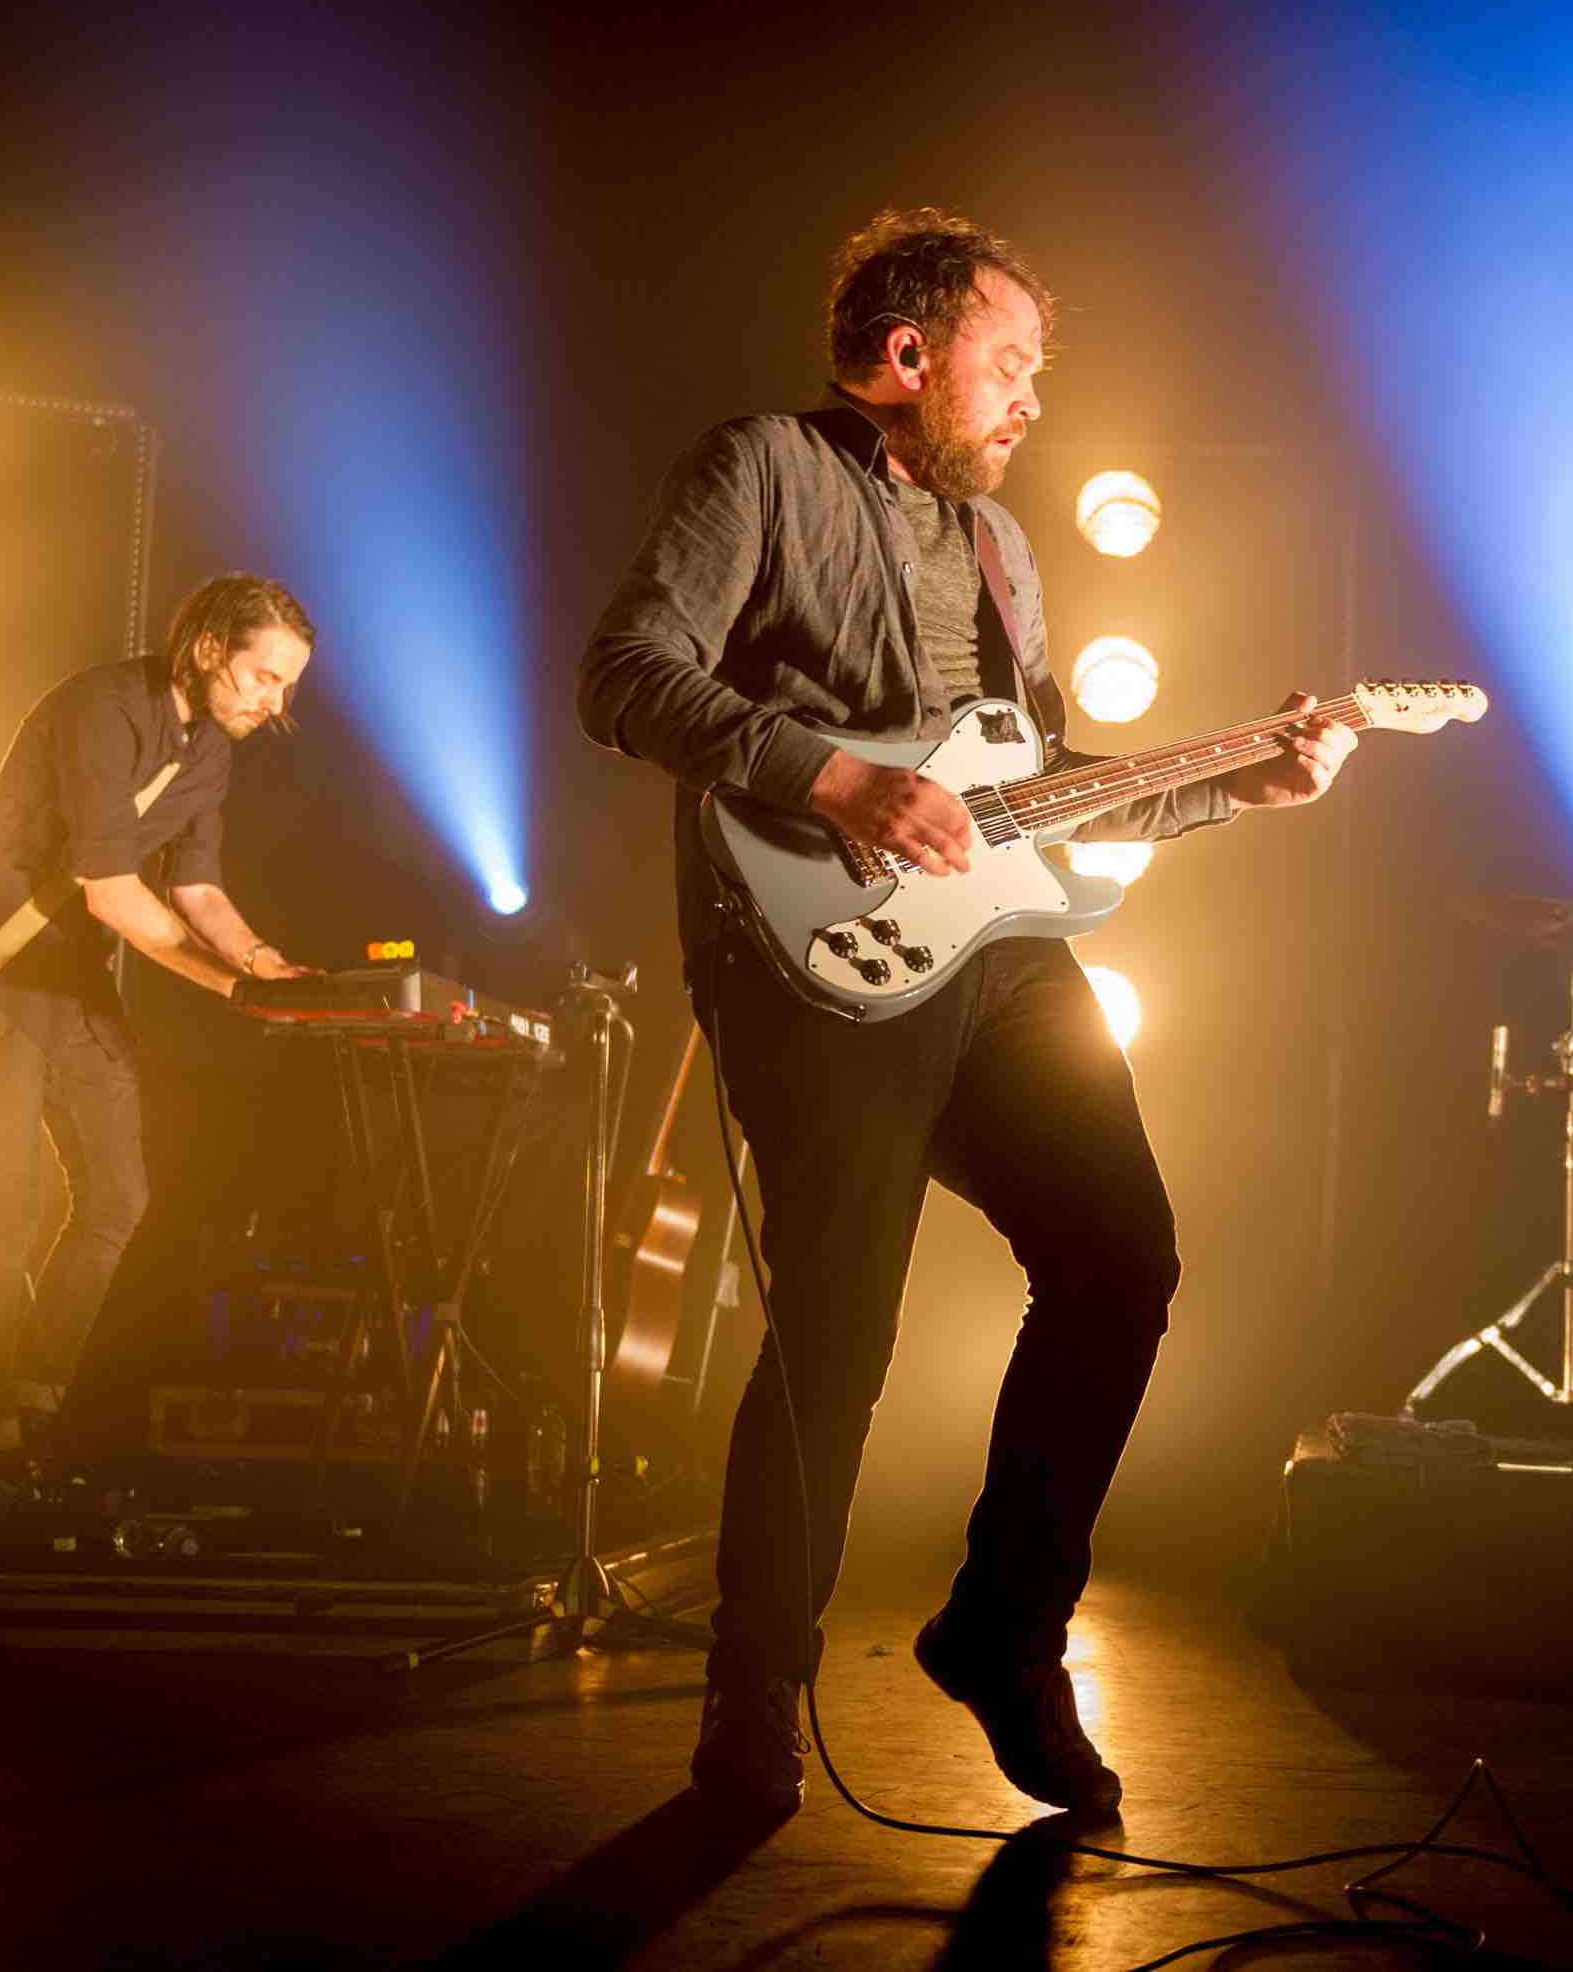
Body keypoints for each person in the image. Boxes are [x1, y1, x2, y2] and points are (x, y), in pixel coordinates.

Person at [575, 208, 1358, 1818]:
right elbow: (627, 673)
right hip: (813, 946)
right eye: (1009, 364)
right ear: (908, 353)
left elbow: (1037, 798)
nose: (1029, 402)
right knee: (838, 1329)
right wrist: (844, 778)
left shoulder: (1005, 551)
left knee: (1123, 1259)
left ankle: (1004, 1631)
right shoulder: (762, 470)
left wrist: (1243, 788)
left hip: (998, 955)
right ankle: (753, 1687)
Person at [0, 573, 315, 1472]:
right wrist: (229, 991)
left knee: (119, 1198)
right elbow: (111, 891)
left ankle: (33, 1396)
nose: (275, 701)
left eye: (288, 686)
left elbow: (197, 889)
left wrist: (266, 965)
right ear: (212, 648)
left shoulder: (211, 753)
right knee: (7, 1207)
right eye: (265, 676)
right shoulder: (102, 707)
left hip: (69, 978)